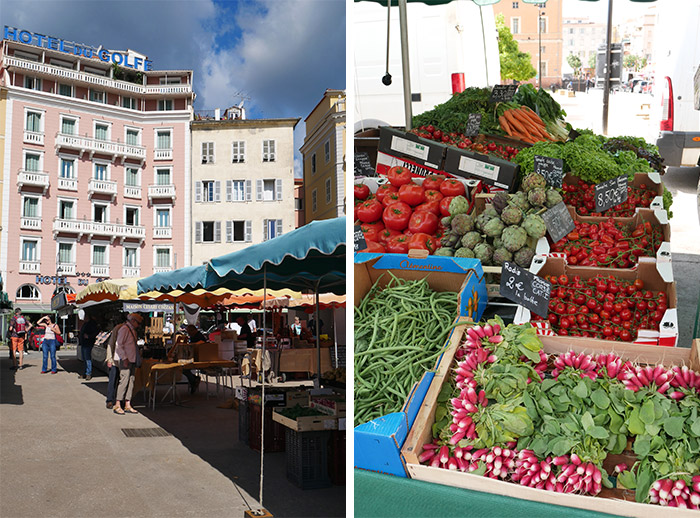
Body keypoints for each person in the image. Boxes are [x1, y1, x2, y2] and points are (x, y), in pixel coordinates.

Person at [113, 313, 143, 415]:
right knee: (124, 381)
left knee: (131, 381)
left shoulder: (132, 330)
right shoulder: (124, 329)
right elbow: (119, 345)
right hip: (126, 359)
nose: (139, 325)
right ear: (133, 321)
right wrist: (124, 358)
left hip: (132, 359)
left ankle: (127, 403)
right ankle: (117, 404)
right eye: (138, 323)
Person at [104, 321, 124, 410]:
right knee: (113, 380)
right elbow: (110, 344)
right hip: (114, 360)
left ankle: (120, 400)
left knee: (121, 381)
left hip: (124, 360)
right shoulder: (118, 328)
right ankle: (110, 400)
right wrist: (109, 359)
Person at [78, 314, 99, 380]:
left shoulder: (91, 324)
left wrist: (89, 336)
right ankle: (85, 373)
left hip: (88, 343)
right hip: (84, 343)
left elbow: (96, 332)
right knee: (84, 359)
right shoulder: (85, 323)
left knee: (87, 359)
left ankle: (88, 373)